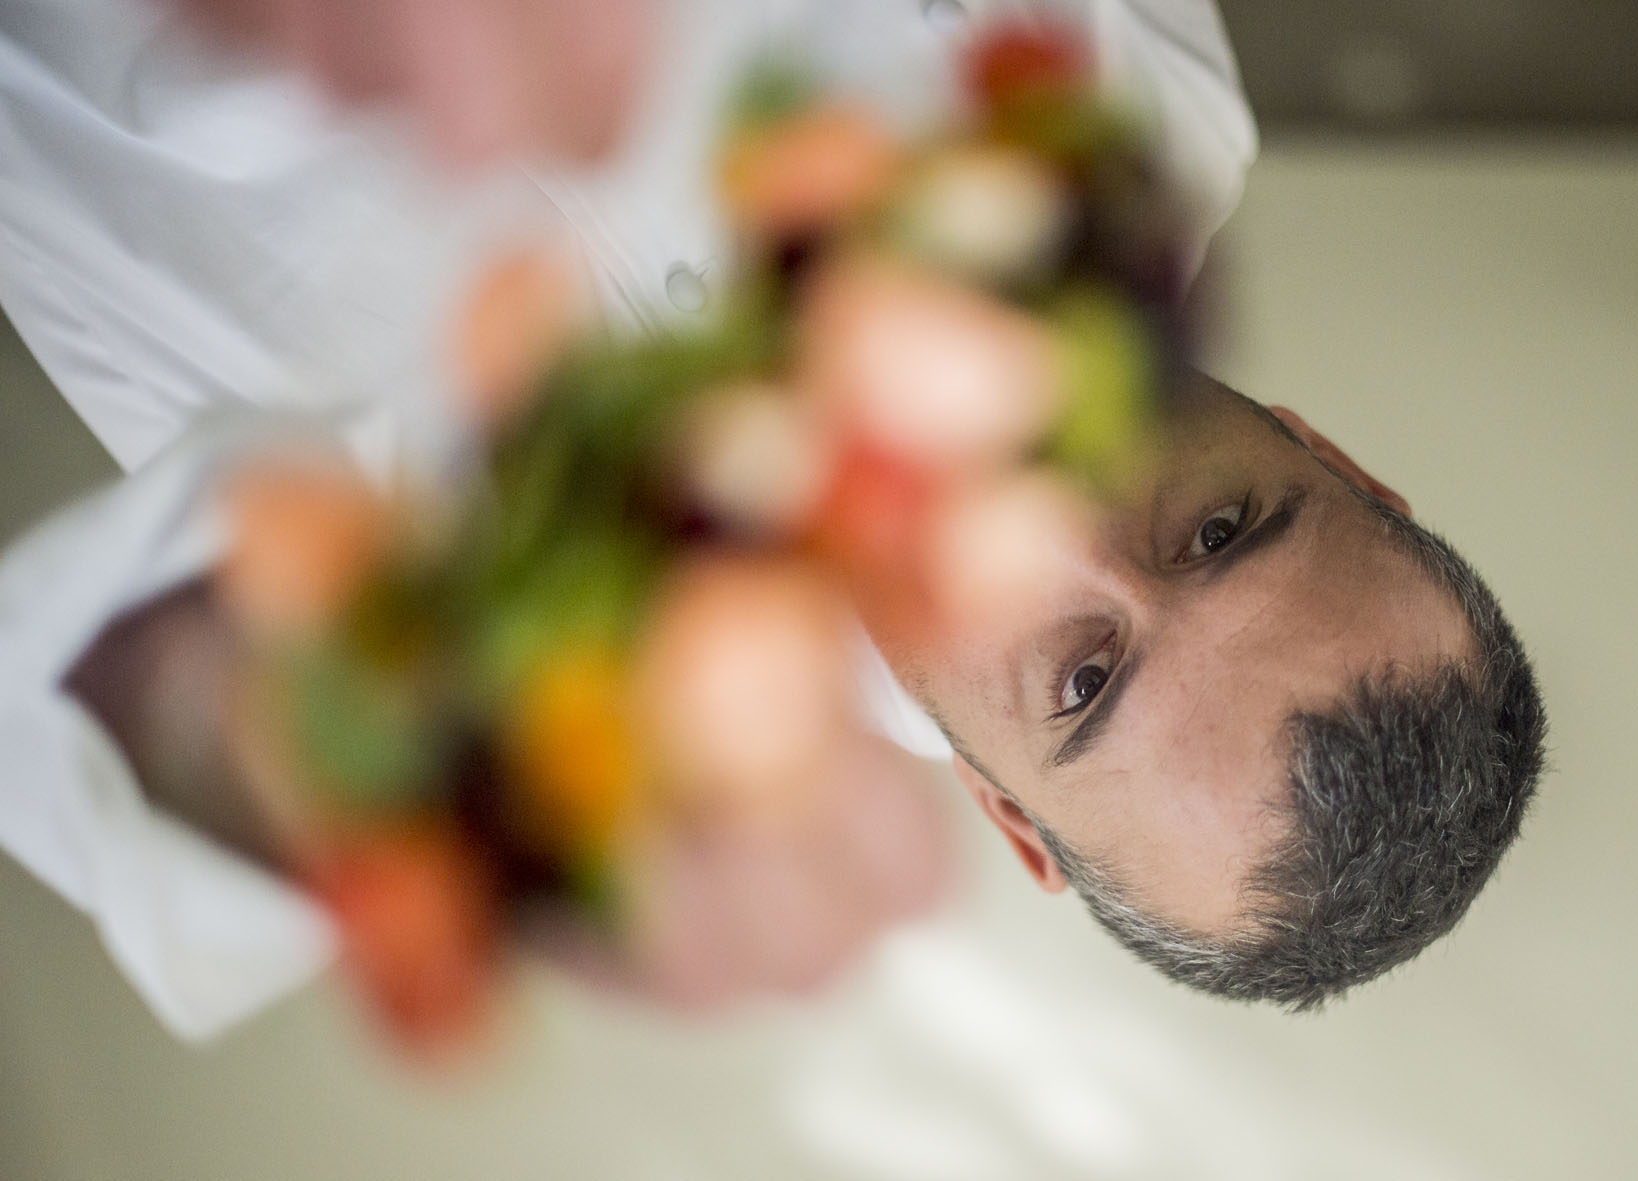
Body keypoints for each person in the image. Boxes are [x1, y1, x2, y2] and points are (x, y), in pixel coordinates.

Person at [0, 0, 1542, 1041]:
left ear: (1008, 816)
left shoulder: (532, 687)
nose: (1055, 521)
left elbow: (83, 716)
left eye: (1082, 678)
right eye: (1217, 530)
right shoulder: (1154, 111)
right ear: (1321, 450)